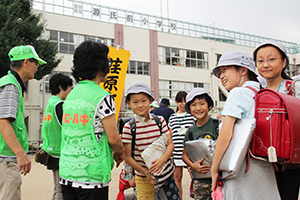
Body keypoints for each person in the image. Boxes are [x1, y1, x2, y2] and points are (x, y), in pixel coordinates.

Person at [210, 50, 280, 199]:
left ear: (243, 70)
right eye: (220, 72)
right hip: (266, 168)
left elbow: (225, 136)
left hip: (241, 168)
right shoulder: (265, 93)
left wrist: (214, 169)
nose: (221, 76)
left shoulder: (238, 93)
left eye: (225, 70)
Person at [59, 41, 124, 200]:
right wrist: (120, 152)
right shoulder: (103, 97)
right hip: (91, 176)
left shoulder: (71, 95)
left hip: (67, 171)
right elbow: (114, 138)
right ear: (100, 64)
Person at [253, 41, 300, 200]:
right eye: (260, 61)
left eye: (271, 59)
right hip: (262, 163)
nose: (265, 65)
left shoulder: (293, 87)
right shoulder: (257, 91)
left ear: (284, 62)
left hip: (289, 164)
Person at [0, 45, 47, 200]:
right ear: (26, 62)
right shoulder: (11, 85)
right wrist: (20, 154)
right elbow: (3, 122)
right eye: (36, 63)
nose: (37, 68)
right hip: (5, 159)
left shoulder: (10, 83)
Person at [122, 82, 180, 200]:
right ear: (128, 103)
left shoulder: (160, 121)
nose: (140, 105)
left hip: (166, 174)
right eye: (135, 102)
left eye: (144, 100)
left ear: (150, 101)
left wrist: (163, 159)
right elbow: (127, 156)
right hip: (143, 177)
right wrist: (144, 171)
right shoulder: (129, 127)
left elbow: (170, 144)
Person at [41, 73, 73, 200]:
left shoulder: (50, 102)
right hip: (59, 152)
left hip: (51, 150)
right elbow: (66, 127)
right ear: (61, 87)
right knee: (60, 190)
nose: (71, 90)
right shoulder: (59, 105)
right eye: (70, 87)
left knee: (58, 188)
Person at [181, 88, 217, 200]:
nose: (198, 108)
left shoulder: (217, 125)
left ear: (209, 106)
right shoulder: (191, 131)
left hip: (220, 179)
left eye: (202, 104)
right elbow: (184, 155)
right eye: (193, 105)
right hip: (200, 181)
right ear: (189, 109)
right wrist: (192, 166)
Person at [168, 91, 195, 199]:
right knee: (177, 178)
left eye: (185, 101)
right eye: (180, 101)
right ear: (176, 102)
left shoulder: (192, 116)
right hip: (176, 152)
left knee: (194, 177)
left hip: (189, 152)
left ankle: (198, 196)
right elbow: (170, 134)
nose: (183, 104)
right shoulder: (172, 117)